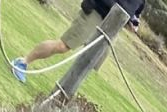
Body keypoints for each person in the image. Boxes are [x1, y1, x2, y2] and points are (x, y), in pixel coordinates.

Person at [10, 0, 144, 82]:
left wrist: (132, 23)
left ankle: (63, 93)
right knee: (63, 46)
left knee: (90, 62)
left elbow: (135, 14)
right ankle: (22, 62)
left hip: (111, 26)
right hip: (95, 13)